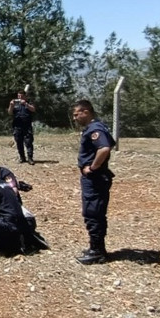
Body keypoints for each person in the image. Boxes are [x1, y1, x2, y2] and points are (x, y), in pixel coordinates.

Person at [72, 99, 115, 265]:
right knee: (94, 213)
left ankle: (97, 251)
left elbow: (104, 148)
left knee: (93, 213)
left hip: (95, 179)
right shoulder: (95, 127)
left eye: (77, 114)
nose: (75, 118)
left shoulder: (95, 129)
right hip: (95, 179)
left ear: (86, 112)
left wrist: (93, 167)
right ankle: (97, 248)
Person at [7, 90, 36, 164]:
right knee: (19, 142)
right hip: (17, 126)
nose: (20, 97)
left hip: (27, 126)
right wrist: (11, 105)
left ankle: (30, 158)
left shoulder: (29, 102)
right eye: (19, 96)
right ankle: (22, 158)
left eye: (22, 96)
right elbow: (10, 113)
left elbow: (33, 109)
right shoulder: (15, 103)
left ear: (25, 96)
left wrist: (26, 104)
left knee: (28, 142)